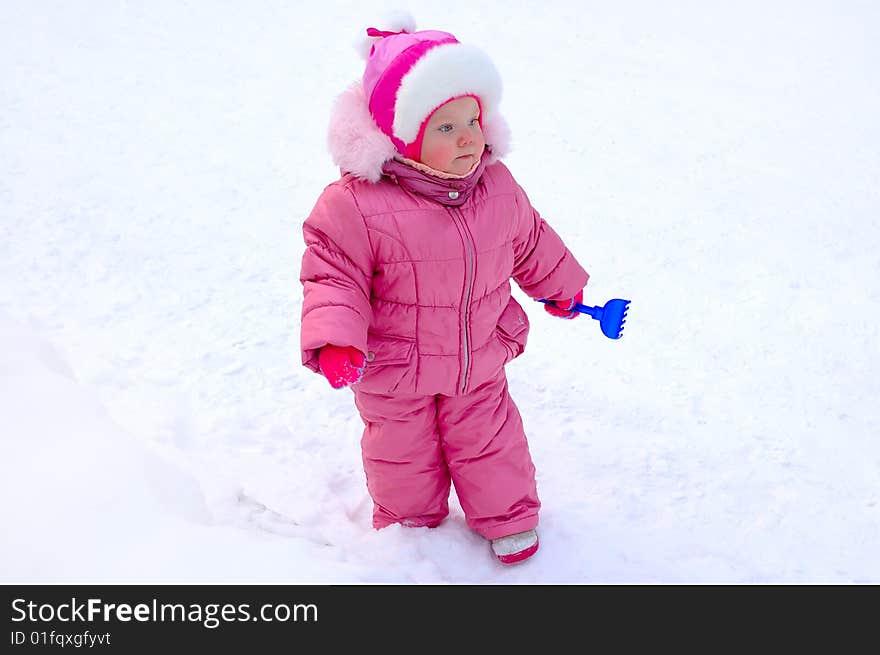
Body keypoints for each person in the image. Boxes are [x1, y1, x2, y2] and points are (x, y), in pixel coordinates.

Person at [299, 14, 589, 564]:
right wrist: (337, 339)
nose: (468, 138)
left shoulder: (497, 188)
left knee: (491, 443)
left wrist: (562, 289)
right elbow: (332, 273)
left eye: (473, 120)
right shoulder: (357, 204)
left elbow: (529, 240)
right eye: (445, 127)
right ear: (402, 136)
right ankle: (411, 522)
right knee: (401, 453)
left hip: (478, 355)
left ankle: (508, 517)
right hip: (394, 368)